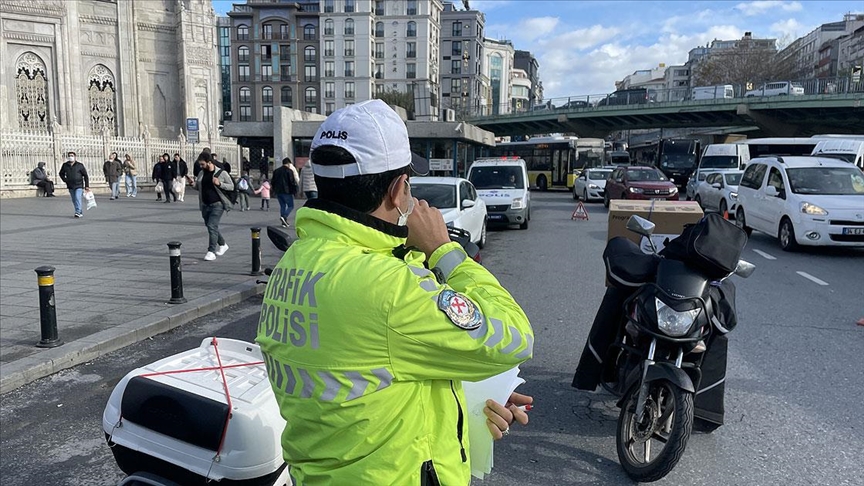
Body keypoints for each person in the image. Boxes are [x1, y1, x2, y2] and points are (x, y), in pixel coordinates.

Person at [256, 100, 534, 485]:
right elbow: (514, 337)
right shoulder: (388, 287)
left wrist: (471, 396)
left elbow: (367, 374)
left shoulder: (297, 261)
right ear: (397, 190)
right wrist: (444, 250)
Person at [194, 152, 234, 261]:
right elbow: (199, 187)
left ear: (209, 162)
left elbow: (231, 186)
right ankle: (223, 244)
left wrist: (220, 184)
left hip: (217, 204)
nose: (201, 166)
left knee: (212, 225)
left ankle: (211, 251)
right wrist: (193, 184)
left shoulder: (221, 173)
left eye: (202, 164)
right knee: (211, 226)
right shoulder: (201, 173)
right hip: (204, 204)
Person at [59, 151, 90, 218]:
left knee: (77, 198)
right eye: (69, 156)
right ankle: (79, 211)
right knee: (74, 199)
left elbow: (85, 175)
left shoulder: (79, 165)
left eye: (72, 156)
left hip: (79, 185)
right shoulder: (65, 165)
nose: (71, 157)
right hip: (70, 185)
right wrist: (65, 180)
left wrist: (87, 186)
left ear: (75, 157)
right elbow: (61, 173)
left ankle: (78, 212)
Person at [271, 157, 299, 227]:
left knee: (282, 205)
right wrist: (295, 191)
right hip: (287, 191)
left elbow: (273, 181)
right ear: (289, 164)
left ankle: (284, 222)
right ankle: (284, 216)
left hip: (278, 191)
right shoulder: (289, 171)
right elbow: (292, 182)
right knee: (291, 206)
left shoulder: (276, 171)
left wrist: (274, 190)